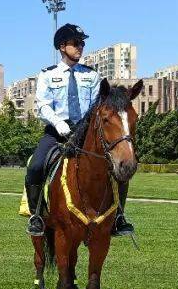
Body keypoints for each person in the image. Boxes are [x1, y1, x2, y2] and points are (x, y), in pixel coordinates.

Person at [25, 23, 134, 237]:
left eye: (82, 43)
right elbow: (43, 105)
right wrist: (58, 123)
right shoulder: (47, 75)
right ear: (62, 46)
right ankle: (37, 215)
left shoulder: (92, 76)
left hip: (85, 132)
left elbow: (96, 105)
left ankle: (119, 216)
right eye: (76, 43)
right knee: (36, 166)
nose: (80, 47)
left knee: (119, 168)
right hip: (56, 132)